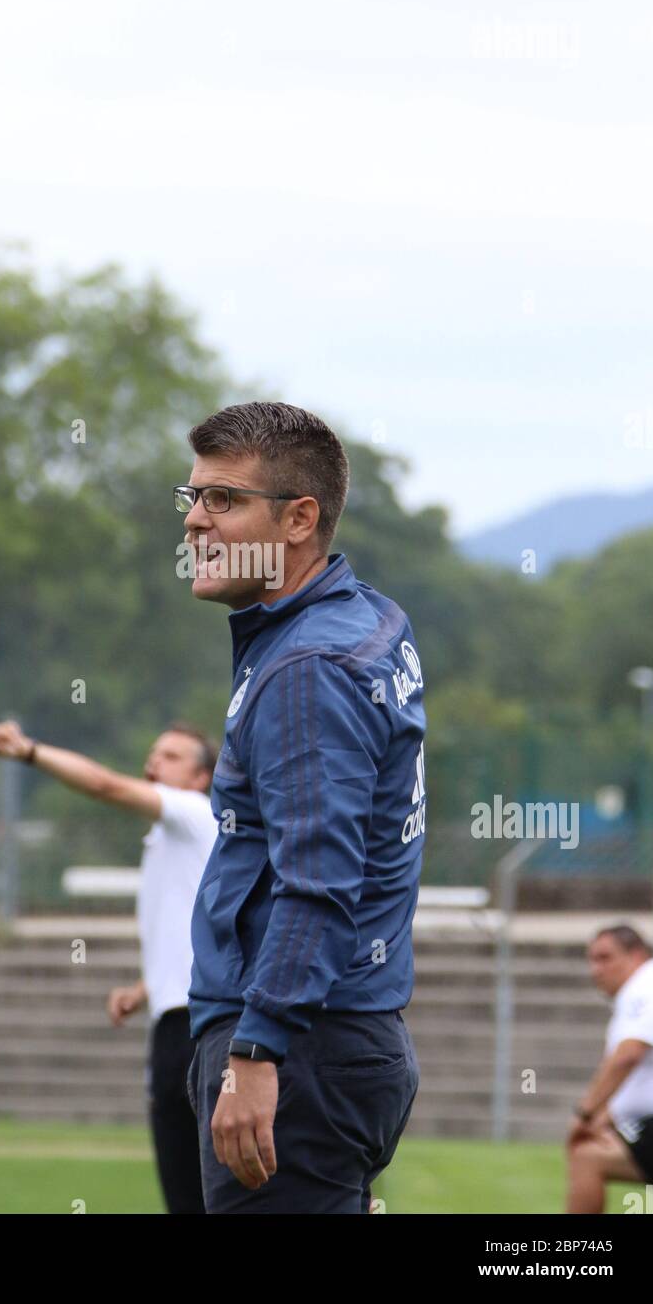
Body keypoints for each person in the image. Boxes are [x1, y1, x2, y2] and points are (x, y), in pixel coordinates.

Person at [174, 399, 424, 1214]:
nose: (195, 523)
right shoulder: (365, 619)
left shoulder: (306, 665)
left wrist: (255, 1048)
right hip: (338, 1043)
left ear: (299, 519)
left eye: (224, 499)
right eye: (192, 498)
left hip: (298, 1051)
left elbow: (316, 880)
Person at [0, 718, 218, 1214]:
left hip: (198, 1031)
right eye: (154, 753)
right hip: (174, 1022)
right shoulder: (168, 839)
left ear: (203, 778)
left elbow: (103, 785)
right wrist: (144, 988)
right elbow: (195, 932)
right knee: (188, 1197)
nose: (154, 763)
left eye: (172, 756)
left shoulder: (195, 812)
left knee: (212, 1197)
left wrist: (30, 752)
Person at [565, 924, 653, 1213]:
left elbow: (628, 1056)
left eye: (605, 957)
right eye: (592, 960)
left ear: (637, 955)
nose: (595, 969)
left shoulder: (649, 986)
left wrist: (585, 1114)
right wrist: (608, 1116)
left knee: (586, 1156)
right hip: (651, 1125)